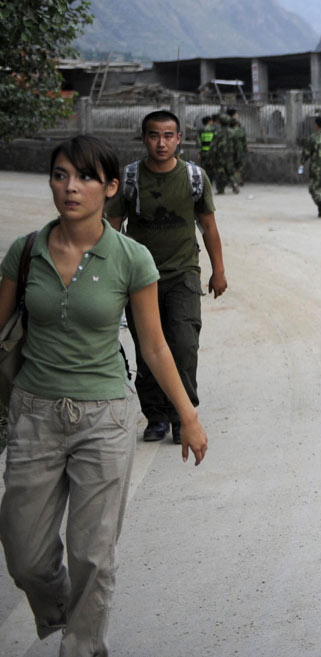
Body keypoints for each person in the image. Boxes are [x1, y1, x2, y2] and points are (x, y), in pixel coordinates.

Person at [0, 135, 208, 657]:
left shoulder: (131, 258)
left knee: (93, 555)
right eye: (61, 175)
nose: (70, 187)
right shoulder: (25, 252)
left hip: (104, 419)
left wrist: (187, 415)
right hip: (34, 415)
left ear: (111, 188)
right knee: (24, 554)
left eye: (86, 177)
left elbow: (154, 346)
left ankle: (84, 645)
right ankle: (66, 610)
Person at [106, 110, 227, 445]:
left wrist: (218, 270)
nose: (161, 143)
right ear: (144, 138)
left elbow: (209, 227)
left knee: (184, 345)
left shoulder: (194, 177)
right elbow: (111, 229)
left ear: (179, 139)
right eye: (154, 135)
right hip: (139, 278)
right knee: (147, 348)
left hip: (182, 274)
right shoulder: (129, 178)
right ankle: (156, 415)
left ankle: (181, 415)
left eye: (168, 136)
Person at [210, 113, 238, 195]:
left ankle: (221, 189)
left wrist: (212, 156)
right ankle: (235, 185)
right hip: (229, 156)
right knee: (231, 172)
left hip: (220, 156)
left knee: (220, 172)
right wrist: (236, 156)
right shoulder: (233, 133)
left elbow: (213, 146)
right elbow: (237, 146)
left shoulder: (217, 133)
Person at [227, 108, 248, 187]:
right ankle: (237, 180)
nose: (237, 115)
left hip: (230, 148)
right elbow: (243, 137)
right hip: (238, 149)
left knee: (232, 165)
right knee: (238, 165)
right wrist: (245, 146)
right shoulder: (237, 126)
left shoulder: (226, 124)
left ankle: (234, 180)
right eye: (236, 113)